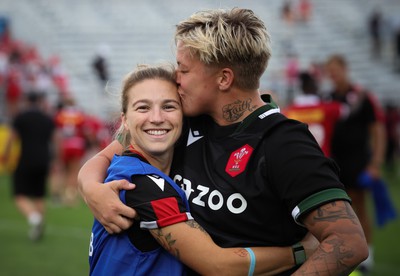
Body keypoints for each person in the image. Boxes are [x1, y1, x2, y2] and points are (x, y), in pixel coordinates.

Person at [79, 8, 368, 275]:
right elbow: (107, 157)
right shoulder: (181, 119)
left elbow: (349, 243)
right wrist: (91, 188)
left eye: (184, 69)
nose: (175, 77)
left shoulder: (283, 144)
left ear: (223, 79)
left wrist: (299, 255)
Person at [89, 64, 317, 275]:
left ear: (183, 115)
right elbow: (217, 265)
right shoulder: (141, 183)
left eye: (169, 106)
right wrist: (301, 250)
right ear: (125, 120)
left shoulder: (127, 166)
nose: (156, 118)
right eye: (143, 108)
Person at [325, 54, 386, 274]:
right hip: (335, 164)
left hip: (359, 162)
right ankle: (344, 252)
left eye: (335, 70)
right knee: (338, 211)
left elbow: (377, 130)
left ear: (345, 69)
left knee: (360, 208)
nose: (333, 75)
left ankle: (366, 255)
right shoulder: (328, 97)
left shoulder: (362, 96)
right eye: (329, 71)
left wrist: (376, 162)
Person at [1, 92, 59, 241]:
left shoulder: (21, 117)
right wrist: (56, 159)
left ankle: (34, 218)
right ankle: (38, 227)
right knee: (39, 195)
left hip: (25, 159)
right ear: (39, 101)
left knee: (19, 194)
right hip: (43, 160)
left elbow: (12, 138)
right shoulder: (47, 118)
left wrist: (5, 155)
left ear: (27, 101)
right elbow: (56, 140)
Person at [283, 71, 346, 157]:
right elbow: (348, 110)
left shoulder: (287, 112)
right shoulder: (329, 108)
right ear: (316, 87)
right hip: (323, 162)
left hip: (297, 163)